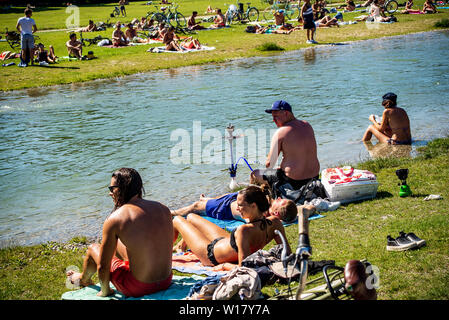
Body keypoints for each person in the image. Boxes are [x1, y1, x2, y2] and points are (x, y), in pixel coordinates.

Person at [66, 168, 173, 297]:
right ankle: (84, 277)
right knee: (117, 244)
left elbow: (103, 266)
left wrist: (105, 291)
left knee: (93, 248)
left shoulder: (116, 218)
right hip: (166, 281)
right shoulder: (163, 208)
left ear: (121, 189)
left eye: (112, 189)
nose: (110, 194)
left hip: (138, 287)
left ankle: (83, 279)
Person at [172, 186, 292, 269]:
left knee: (177, 220)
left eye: (240, 205)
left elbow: (244, 268)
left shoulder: (243, 231)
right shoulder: (275, 222)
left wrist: (223, 266)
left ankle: (164, 256)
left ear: (254, 206)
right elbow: (287, 253)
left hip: (210, 255)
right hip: (226, 242)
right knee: (191, 216)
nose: (237, 208)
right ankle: (180, 246)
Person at [250, 100, 320, 192]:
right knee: (278, 170)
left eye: (276, 116)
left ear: (286, 113)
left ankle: (254, 199)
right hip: (314, 177)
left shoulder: (281, 132)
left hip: (293, 181)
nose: (273, 120)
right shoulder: (307, 125)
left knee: (254, 174)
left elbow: (269, 164)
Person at [171, 185, 298, 224]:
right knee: (223, 196)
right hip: (236, 199)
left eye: (279, 201)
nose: (279, 197)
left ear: (276, 213)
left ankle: (171, 213)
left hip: (224, 208)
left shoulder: (263, 215)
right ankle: (207, 200)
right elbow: (308, 207)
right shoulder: (268, 208)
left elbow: (250, 221)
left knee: (196, 206)